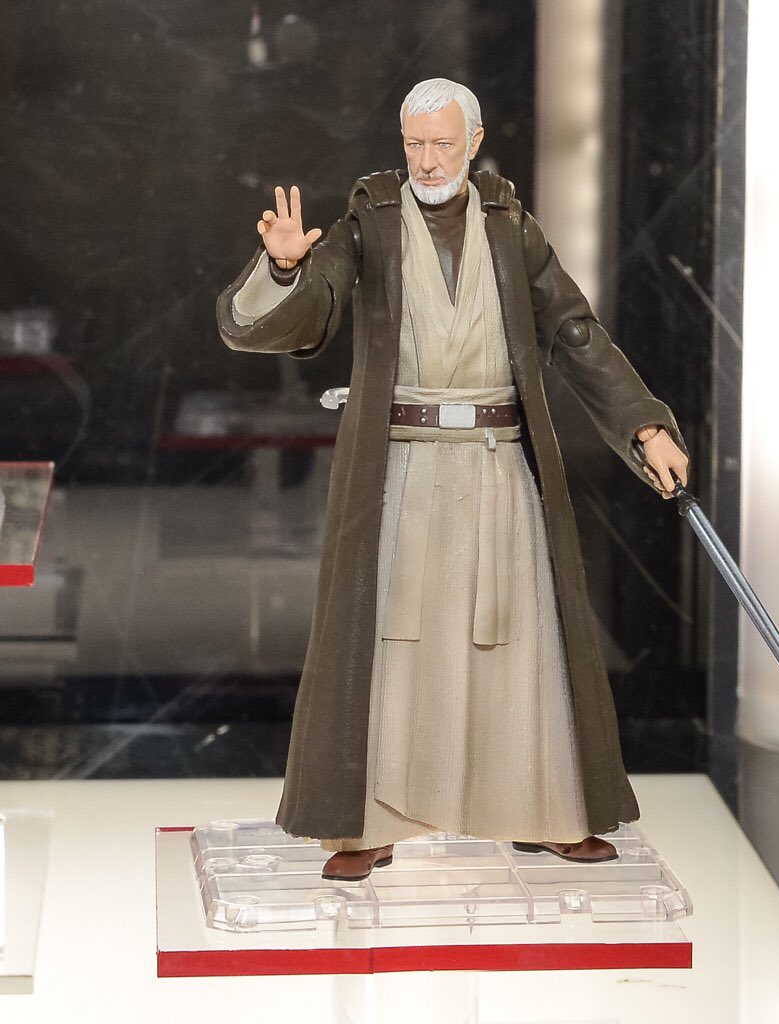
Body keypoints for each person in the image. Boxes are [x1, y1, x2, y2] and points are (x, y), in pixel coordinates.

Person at [216, 78, 690, 882]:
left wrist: (643, 425)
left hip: (501, 464)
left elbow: (574, 331)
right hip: (403, 464)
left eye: (442, 143)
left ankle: (545, 810)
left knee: (519, 635)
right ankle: (368, 822)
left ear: (473, 143)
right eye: (414, 144)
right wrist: (286, 267)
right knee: (394, 638)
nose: (427, 160)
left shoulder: (511, 227)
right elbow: (305, 310)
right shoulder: (371, 221)